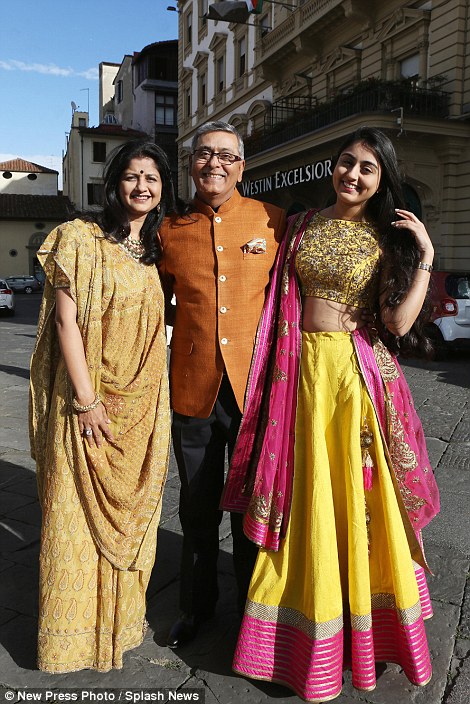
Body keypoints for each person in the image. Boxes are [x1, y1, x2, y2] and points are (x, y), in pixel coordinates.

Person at [222, 127, 440, 701]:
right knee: (306, 500)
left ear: (381, 181)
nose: (353, 174)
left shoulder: (384, 238)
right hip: (299, 377)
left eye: (368, 168)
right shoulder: (300, 225)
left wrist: (426, 259)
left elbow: (395, 326)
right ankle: (303, 630)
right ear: (333, 167)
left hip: (353, 381)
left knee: (356, 502)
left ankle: (364, 636)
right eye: (347, 162)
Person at [29, 140, 175, 673]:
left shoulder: (155, 250)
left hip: (140, 408)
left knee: (136, 522)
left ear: (163, 190)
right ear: (114, 183)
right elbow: (66, 323)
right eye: (133, 176)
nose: (142, 186)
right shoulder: (79, 239)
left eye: (152, 178)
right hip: (88, 404)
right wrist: (87, 400)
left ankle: (118, 626)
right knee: (74, 523)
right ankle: (71, 641)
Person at [158, 120, 286, 648]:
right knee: (196, 506)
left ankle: (252, 616)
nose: (216, 163)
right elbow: (150, 305)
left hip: (255, 391)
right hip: (192, 388)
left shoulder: (272, 221)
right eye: (205, 154)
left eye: (226, 156)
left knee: (252, 508)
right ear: (190, 162)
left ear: (242, 165)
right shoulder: (166, 230)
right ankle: (196, 607)